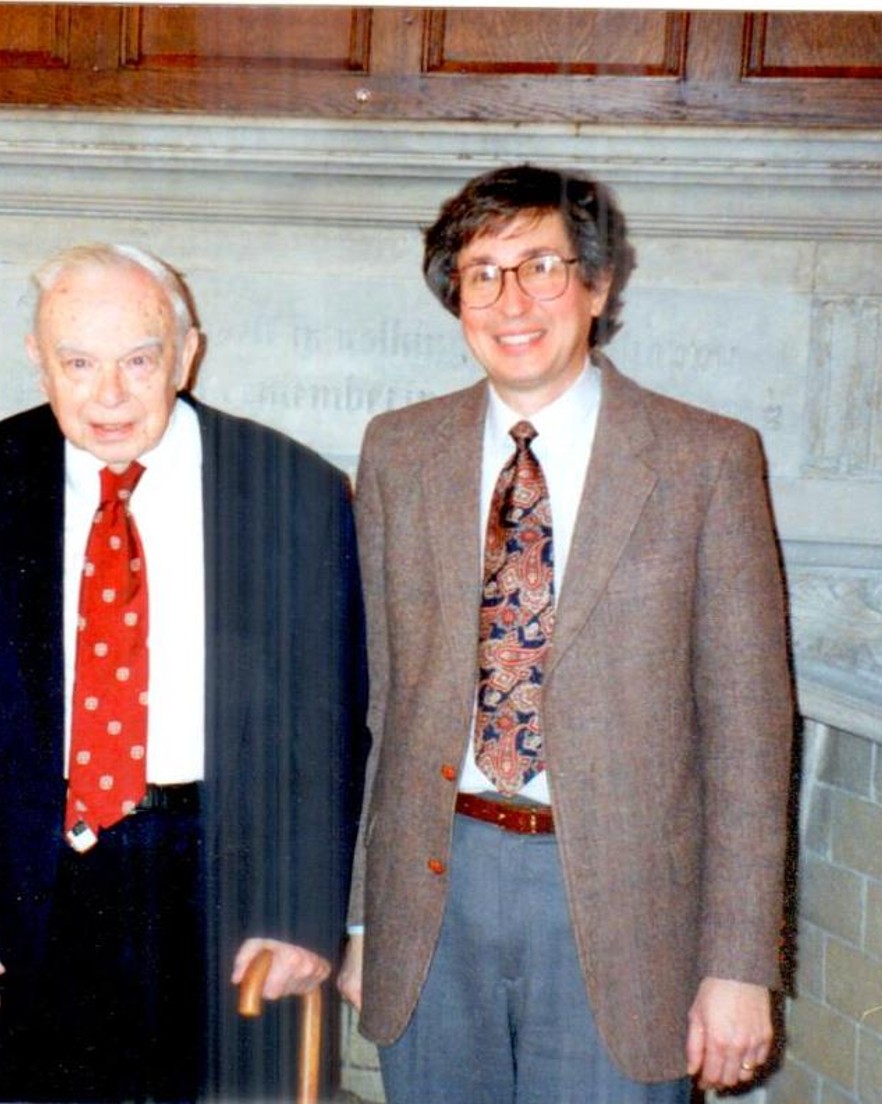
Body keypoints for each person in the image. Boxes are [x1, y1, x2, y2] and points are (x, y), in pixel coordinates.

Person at [337, 164, 793, 1102]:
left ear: (597, 284)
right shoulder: (397, 450)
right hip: (432, 895)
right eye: (482, 273)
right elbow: (379, 705)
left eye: (541, 266)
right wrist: (359, 921)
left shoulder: (705, 460)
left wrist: (739, 965)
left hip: (626, 913)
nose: (512, 301)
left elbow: (749, 736)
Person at [0, 243, 368, 1102]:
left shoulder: (292, 486)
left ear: (186, 355)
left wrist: (305, 913)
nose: (108, 395)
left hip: (226, 894)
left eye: (138, 360)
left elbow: (334, 721)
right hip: (24, 905)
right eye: (78, 363)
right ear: (37, 360)